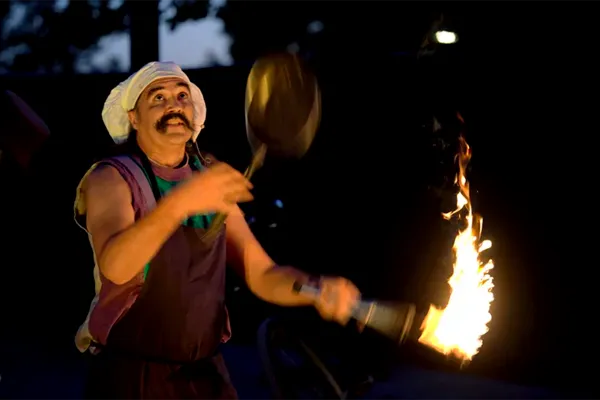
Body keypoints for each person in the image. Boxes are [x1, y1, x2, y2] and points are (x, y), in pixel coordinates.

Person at [73, 61, 360, 400]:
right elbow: (115, 266)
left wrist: (314, 288)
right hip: (133, 374)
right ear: (133, 118)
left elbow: (262, 273)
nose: (173, 106)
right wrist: (181, 203)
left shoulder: (209, 175)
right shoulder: (111, 177)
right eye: (158, 98)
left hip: (206, 374)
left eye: (182, 96)